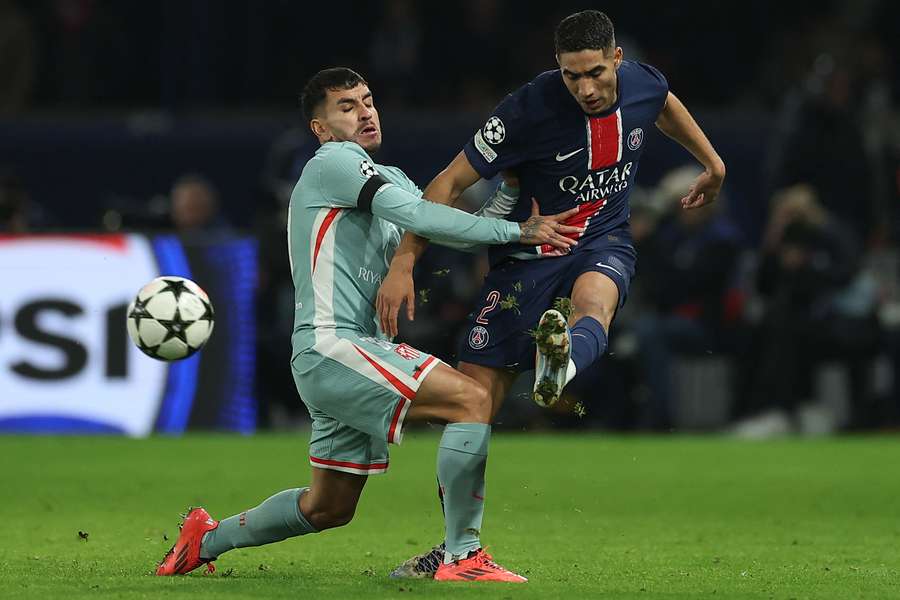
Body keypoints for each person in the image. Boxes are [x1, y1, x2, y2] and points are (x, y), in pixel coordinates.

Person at [155, 67, 582, 583]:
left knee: (328, 507)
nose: (365, 112)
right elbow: (427, 219)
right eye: (347, 107)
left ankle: (206, 537)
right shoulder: (332, 164)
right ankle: (461, 556)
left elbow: (456, 229)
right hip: (336, 346)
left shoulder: (390, 180)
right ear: (321, 128)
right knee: (472, 400)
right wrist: (520, 229)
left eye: (368, 100)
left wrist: (511, 188)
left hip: (341, 357)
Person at [378, 10, 725, 577]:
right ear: (556, 69)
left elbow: (663, 104)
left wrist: (713, 164)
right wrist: (405, 260)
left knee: (598, 302)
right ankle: (459, 550)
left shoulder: (641, 80)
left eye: (595, 73)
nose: (585, 88)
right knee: (474, 402)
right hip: (526, 261)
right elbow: (446, 184)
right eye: (571, 76)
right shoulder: (526, 109)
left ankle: (558, 363)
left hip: (603, 239)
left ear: (617, 59)